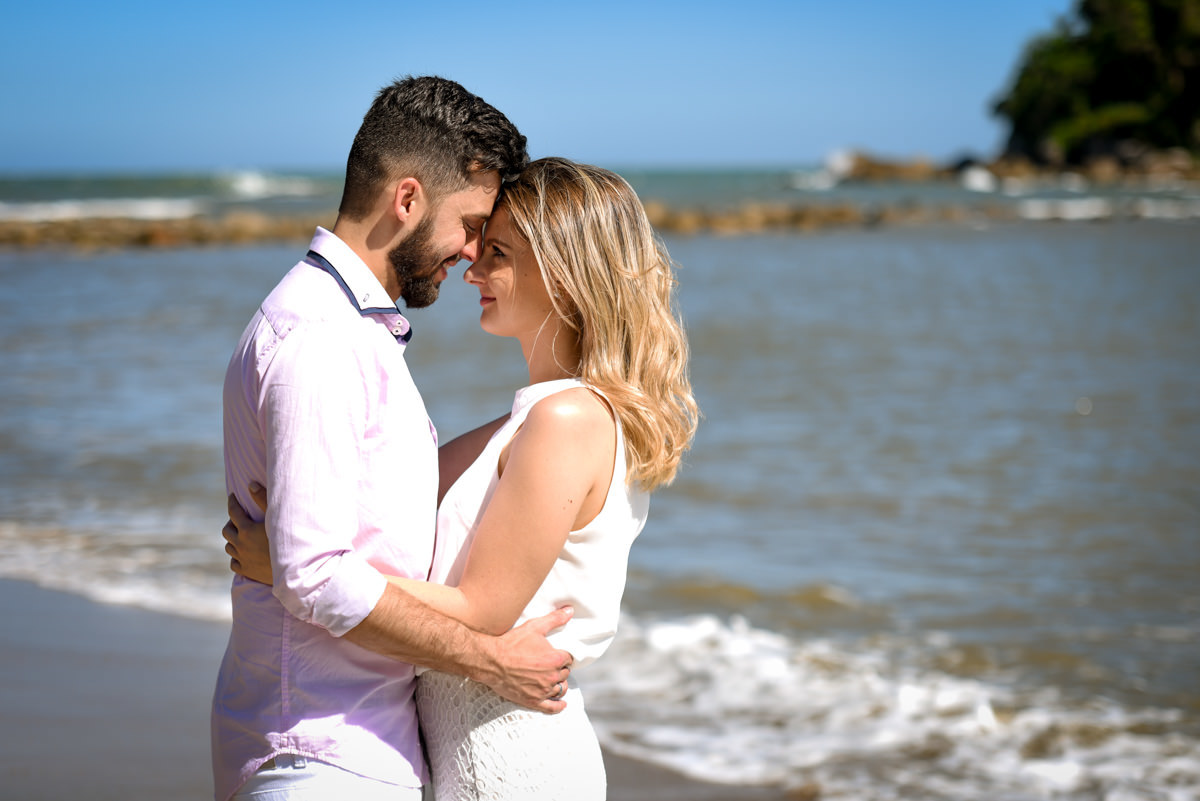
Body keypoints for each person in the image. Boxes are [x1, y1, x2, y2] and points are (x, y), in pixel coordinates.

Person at [224, 157, 700, 800]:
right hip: (462, 743)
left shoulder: (567, 419)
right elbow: (394, 532)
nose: (472, 267)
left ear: (563, 273)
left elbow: (483, 609)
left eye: (497, 251)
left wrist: (293, 568)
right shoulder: (522, 423)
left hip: (513, 753)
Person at [213, 77, 576, 801]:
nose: (473, 255)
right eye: (471, 223)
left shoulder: (350, 331)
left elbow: (335, 541)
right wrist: (490, 661)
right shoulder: (323, 340)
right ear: (406, 200)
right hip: (318, 756)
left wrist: (572, 407)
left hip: (347, 748)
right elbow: (315, 574)